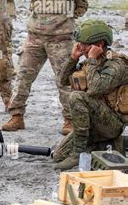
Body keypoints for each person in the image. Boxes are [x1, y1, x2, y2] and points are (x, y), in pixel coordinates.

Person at [0, 0, 94, 134]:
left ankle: (69, 120)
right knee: (23, 77)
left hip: (61, 38)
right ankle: (16, 116)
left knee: (65, 80)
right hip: (35, 36)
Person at [53, 20, 128, 170]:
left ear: (99, 45)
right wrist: (73, 58)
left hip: (112, 124)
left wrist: (92, 58)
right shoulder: (89, 63)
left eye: (84, 45)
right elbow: (62, 81)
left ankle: (79, 152)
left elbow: (95, 89)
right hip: (93, 124)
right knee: (58, 155)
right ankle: (102, 146)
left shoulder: (116, 65)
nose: (81, 48)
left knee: (77, 97)